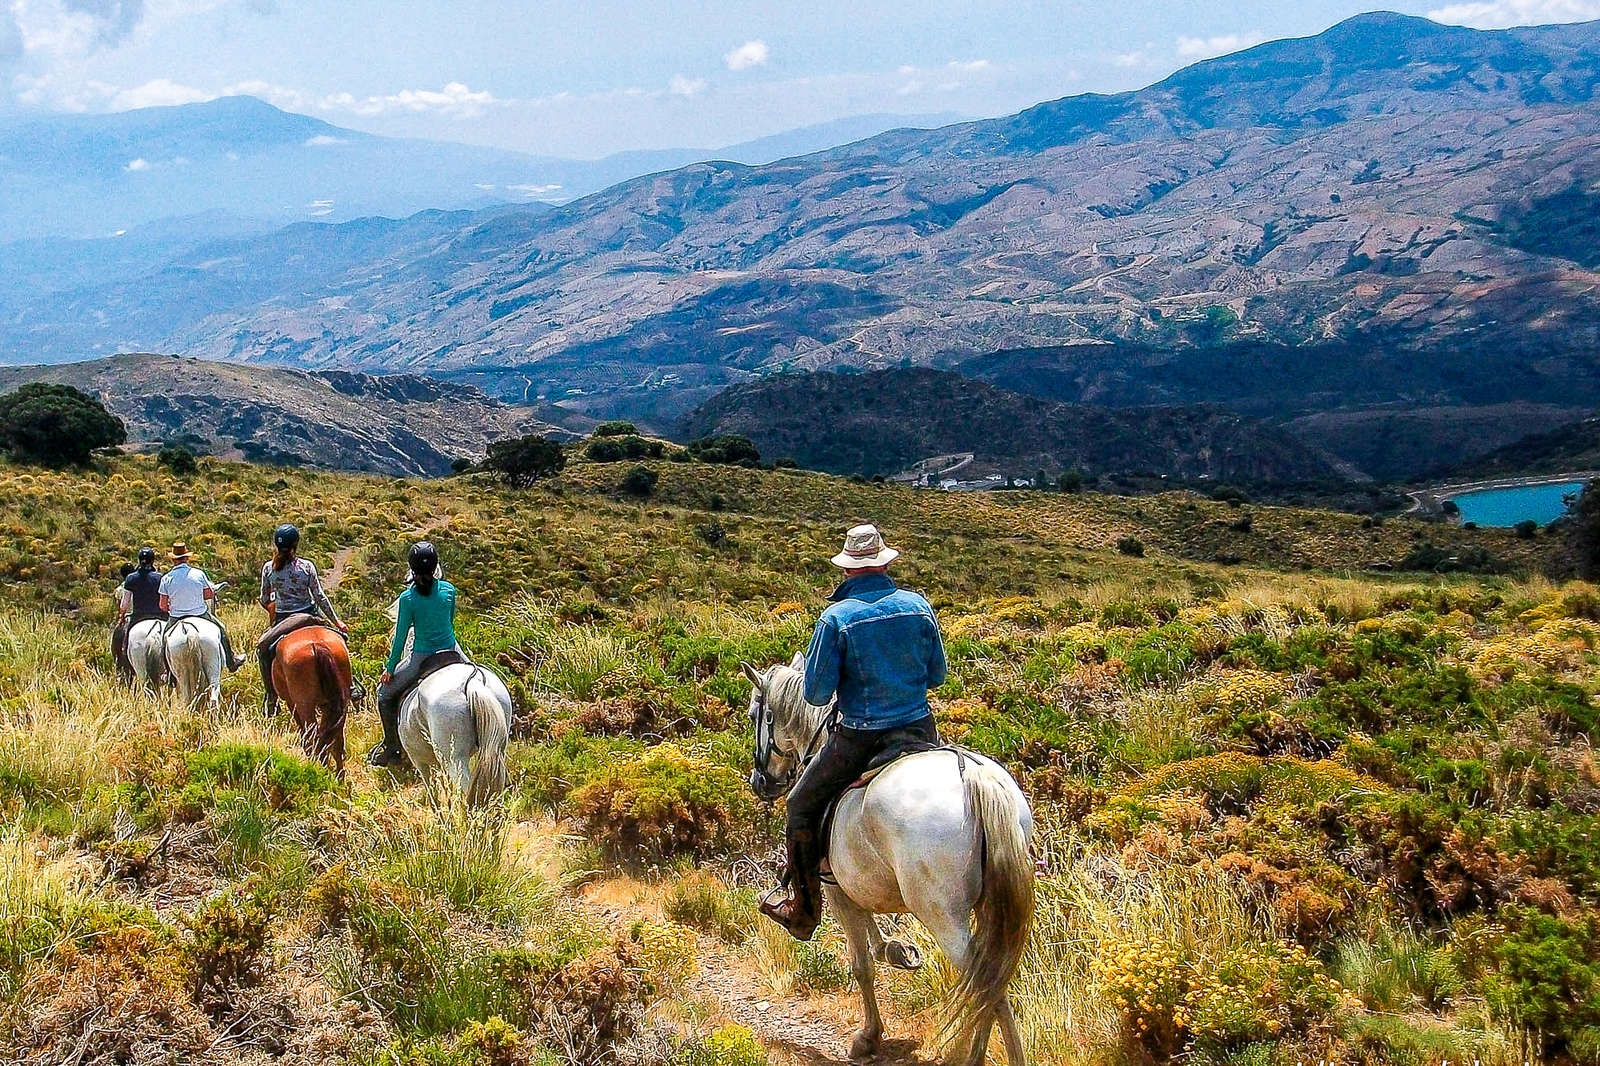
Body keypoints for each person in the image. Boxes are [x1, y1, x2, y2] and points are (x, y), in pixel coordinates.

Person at [760, 523, 948, 941]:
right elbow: (938, 676)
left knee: (800, 806)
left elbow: (815, 694)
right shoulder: (918, 606)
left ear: (847, 570)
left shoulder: (836, 618)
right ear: (884, 563)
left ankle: (802, 911)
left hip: (860, 737)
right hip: (920, 729)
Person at [371, 541, 462, 767]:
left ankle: (392, 747)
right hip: (451, 649)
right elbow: (450, 621)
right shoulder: (449, 590)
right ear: (435, 567)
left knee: (384, 694)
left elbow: (400, 638)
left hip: (422, 655)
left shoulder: (407, 598)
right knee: (478, 676)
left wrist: (390, 669)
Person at [256, 524, 347, 714]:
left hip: (284, 620)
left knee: (263, 648)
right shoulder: (306, 566)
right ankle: (352, 686)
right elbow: (319, 596)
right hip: (310, 615)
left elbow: (265, 598)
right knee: (341, 640)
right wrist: (336, 621)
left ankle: (271, 696)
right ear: (295, 544)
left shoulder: (268, 569)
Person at [159, 541, 247, 671]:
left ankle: (168, 671)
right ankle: (231, 661)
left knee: (164, 639)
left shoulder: (166, 578)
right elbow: (209, 595)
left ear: (173, 560)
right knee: (221, 629)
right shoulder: (198, 574)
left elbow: (162, 606)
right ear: (187, 558)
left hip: (176, 617)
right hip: (200, 614)